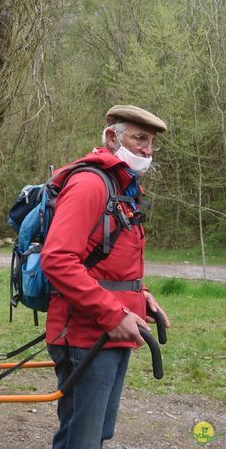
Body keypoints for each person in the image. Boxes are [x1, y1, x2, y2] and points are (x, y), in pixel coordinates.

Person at [40, 105, 172, 449]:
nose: (146, 149)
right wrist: (113, 313)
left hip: (112, 331)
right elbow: (57, 260)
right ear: (112, 137)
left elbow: (108, 261)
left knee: (97, 434)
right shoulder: (90, 184)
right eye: (139, 138)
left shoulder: (124, 187)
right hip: (86, 335)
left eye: (151, 142)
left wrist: (139, 295)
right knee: (79, 439)